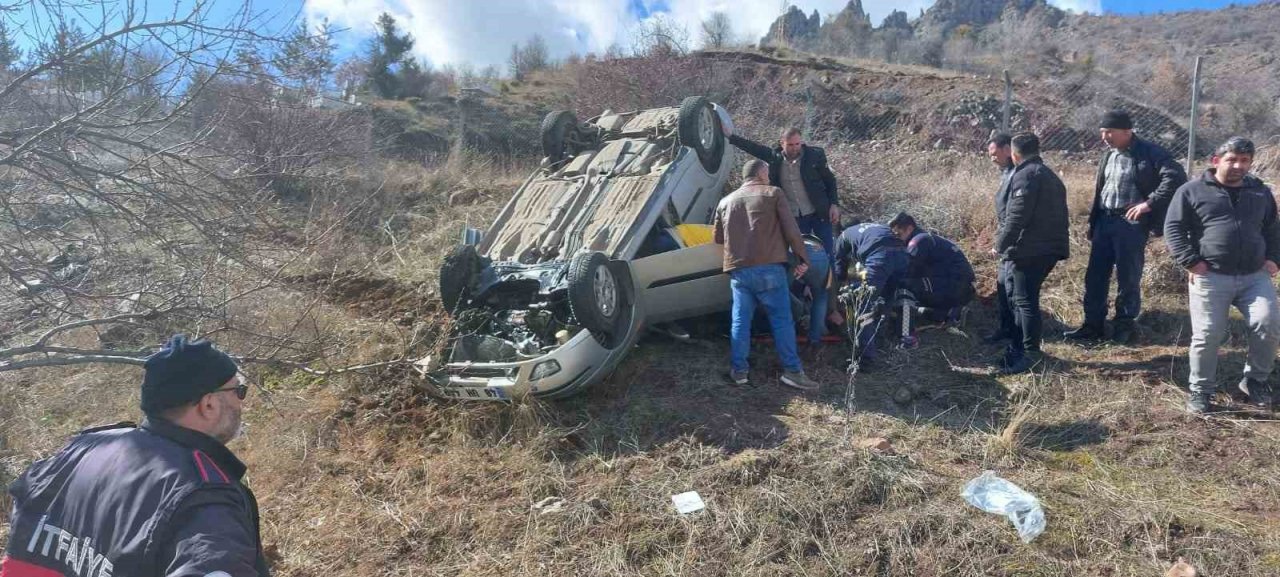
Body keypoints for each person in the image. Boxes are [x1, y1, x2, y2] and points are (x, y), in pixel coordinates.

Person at [3, 335, 270, 577]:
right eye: (239, 390)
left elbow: (25, 501)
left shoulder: (85, 446)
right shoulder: (203, 495)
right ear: (208, 404)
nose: (241, 401)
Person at [1164, 137, 1279, 414]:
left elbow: (1273, 227)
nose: (1238, 165)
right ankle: (1201, 391)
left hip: (1254, 276)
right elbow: (1174, 228)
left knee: (1268, 323)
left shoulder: (1259, 192)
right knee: (1208, 334)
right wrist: (1191, 262)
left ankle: (1255, 381)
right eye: (1232, 159)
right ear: (1216, 161)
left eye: (1245, 161)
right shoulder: (1192, 191)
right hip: (1210, 276)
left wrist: (1274, 258)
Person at [1066, 110, 1187, 344]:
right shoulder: (1108, 155)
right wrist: (1094, 222)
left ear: (1127, 131)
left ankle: (1124, 327)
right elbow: (1101, 191)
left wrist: (1148, 204)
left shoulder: (1150, 153)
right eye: (1102, 132)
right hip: (1105, 222)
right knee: (1095, 276)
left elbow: (1175, 177)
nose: (1105, 137)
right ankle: (1093, 326)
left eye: (1109, 132)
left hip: (1130, 225)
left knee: (1128, 276)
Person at [713, 159, 821, 391]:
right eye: (768, 174)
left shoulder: (725, 201)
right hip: (770, 268)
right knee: (781, 321)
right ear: (761, 174)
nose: (770, 177)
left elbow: (718, 239)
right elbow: (791, 229)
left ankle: (739, 371)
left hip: (739, 271)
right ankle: (792, 371)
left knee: (740, 322)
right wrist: (803, 258)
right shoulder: (773, 194)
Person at [994, 133, 1070, 374]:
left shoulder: (1026, 175)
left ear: (1014, 154)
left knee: (1025, 301)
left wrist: (1001, 244)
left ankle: (1030, 355)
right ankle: (1020, 348)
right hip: (1045, 247)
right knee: (1023, 299)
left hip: (1031, 249)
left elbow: (1017, 216)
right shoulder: (1047, 174)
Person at [724, 125, 840, 255]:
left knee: (827, 252)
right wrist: (730, 136)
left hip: (819, 211)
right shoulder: (775, 158)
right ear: (782, 143)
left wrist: (834, 204)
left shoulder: (814, 156)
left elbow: (830, 180)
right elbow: (753, 148)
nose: (795, 148)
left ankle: (832, 275)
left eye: (798, 143)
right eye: (790, 145)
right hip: (794, 216)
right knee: (800, 255)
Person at [833, 221, 909, 368]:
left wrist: (840, 288)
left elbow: (839, 266)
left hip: (880, 257)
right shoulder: (875, 227)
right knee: (886, 298)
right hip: (902, 255)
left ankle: (866, 358)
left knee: (862, 305)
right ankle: (879, 337)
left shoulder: (843, 236)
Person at [888, 212, 976, 325]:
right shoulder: (925, 237)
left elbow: (906, 270)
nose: (897, 239)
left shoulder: (918, 241)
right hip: (959, 286)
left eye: (898, 234)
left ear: (909, 228)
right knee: (913, 289)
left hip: (956, 286)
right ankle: (948, 313)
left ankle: (905, 332)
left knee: (905, 286)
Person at [985, 133, 1017, 344]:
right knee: (1002, 285)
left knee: (1014, 288)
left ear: (1008, 149)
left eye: (995, 154)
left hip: (1017, 242)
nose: (992, 159)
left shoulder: (1020, 174)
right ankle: (1006, 329)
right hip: (1007, 238)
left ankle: (1017, 334)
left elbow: (1016, 215)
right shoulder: (1007, 172)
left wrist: (1002, 242)